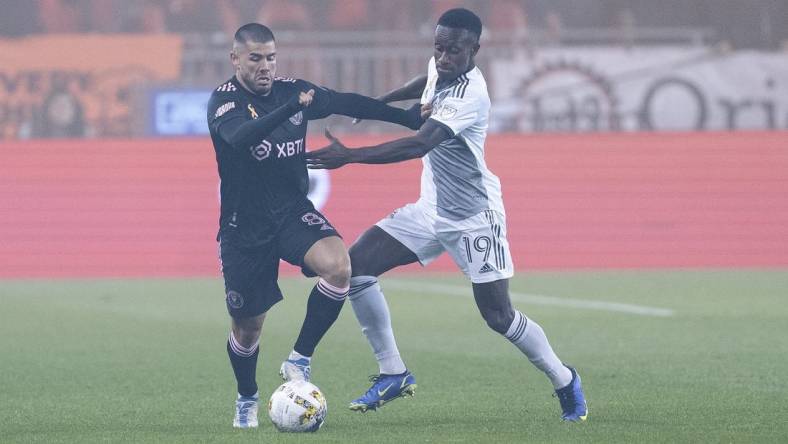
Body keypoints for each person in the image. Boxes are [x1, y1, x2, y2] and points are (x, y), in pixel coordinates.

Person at [305, 8, 588, 421]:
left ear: (475, 49)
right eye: (438, 47)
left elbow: (418, 145)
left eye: (453, 51)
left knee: (498, 316)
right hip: (430, 208)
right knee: (355, 269)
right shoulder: (441, 65)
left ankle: (565, 380)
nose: (443, 58)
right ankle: (393, 372)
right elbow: (426, 81)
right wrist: (381, 102)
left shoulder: (470, 96)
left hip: (473, 217)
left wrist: (349, 156)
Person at [206, 23, 423, 429]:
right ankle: (247, 398)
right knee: (248, 327)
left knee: (339, 266)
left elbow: (345, 100)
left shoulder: (293, 89)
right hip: (244, 226)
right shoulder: (224, 102)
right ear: (235, 59)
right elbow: (238, 138)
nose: (265, 66)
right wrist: (290, 110)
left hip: (290, 212)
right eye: (255, 59)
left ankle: (299, 359)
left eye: (271, 57)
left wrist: (406, 118)